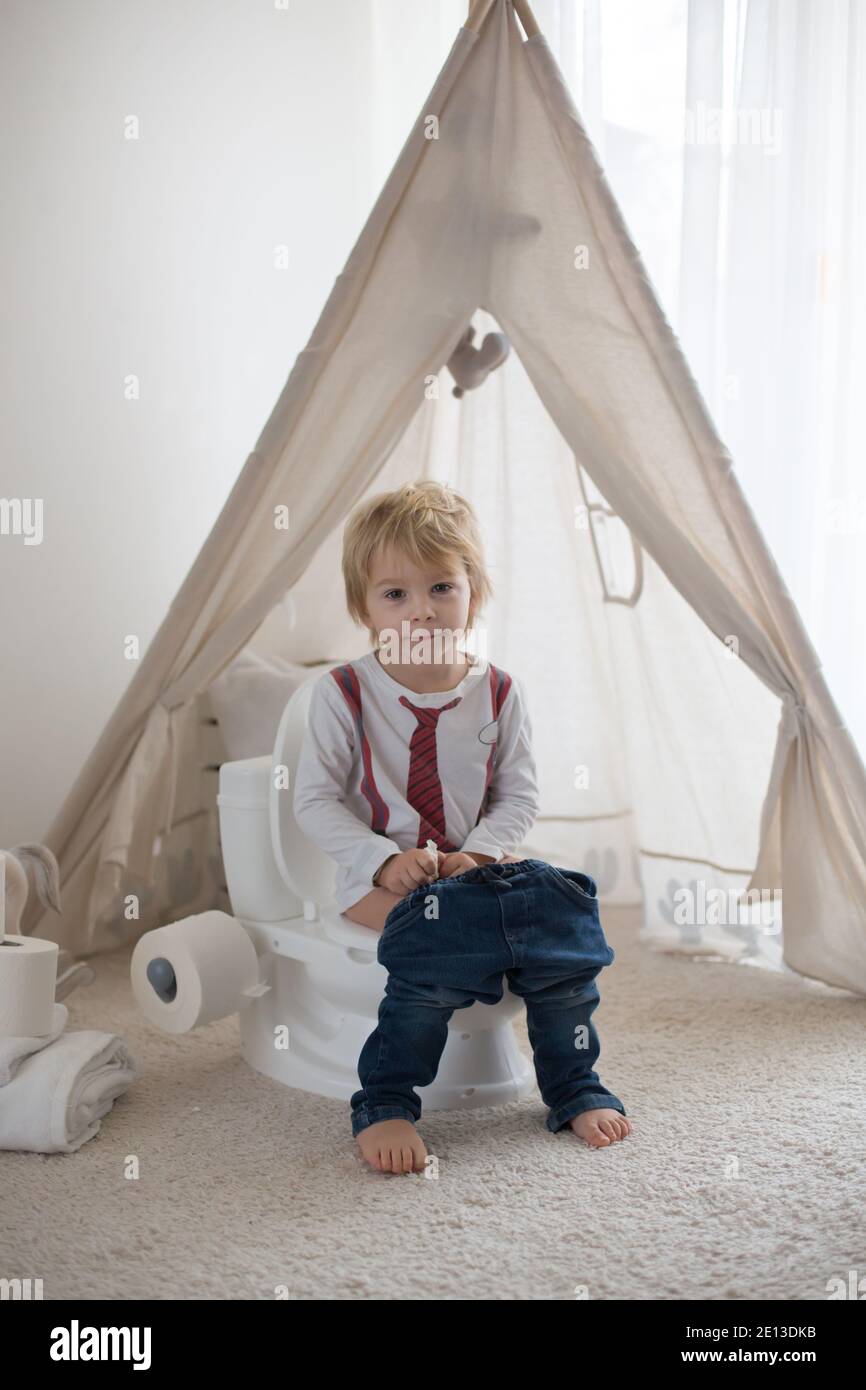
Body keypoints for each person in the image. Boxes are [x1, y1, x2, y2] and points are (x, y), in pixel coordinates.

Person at [292, 480, 630, 1172]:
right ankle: (384, 1100)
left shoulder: (500, 691)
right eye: (395, 594)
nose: (422, 610)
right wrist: (384, 860)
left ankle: (575, 1085)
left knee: (560, 938)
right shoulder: (343, 695)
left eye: (441, 586)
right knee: (436, 948)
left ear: (474, 590)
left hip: (479, 874)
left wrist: (476, 855)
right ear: (364, 608)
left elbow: (518, 797)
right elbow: (315, 801)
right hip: (375, 881)